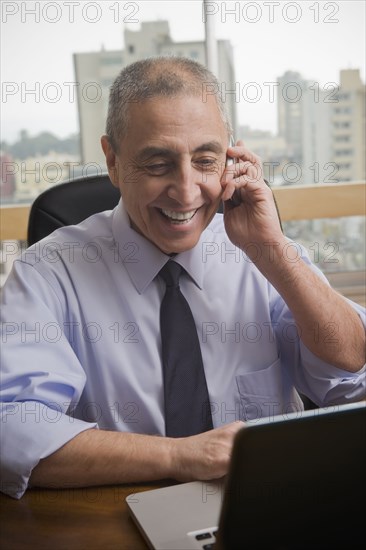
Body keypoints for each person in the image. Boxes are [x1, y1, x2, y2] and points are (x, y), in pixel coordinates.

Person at [1, 56, 365, 500]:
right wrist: (180, 456)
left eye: (205, 160)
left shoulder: (264, 253)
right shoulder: (47, 274)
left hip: (264, 510)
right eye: (158, 164)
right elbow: (13, 430)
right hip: (117, 518)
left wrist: (275, 255)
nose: (188, 191)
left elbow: (352, 374)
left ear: (232, 157)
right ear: (113, 161)